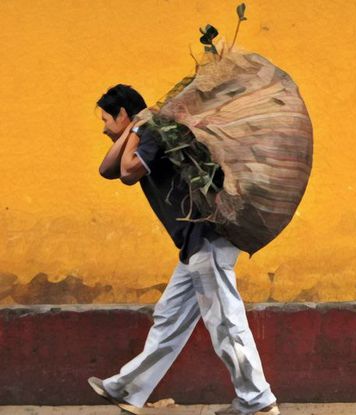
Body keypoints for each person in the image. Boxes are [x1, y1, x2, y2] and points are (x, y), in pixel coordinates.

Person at [87, 84, 279, 415]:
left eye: (107, 119)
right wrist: (131, 128)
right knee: (169, 318)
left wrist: (138, 127)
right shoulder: (142, 129)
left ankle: (258, 401)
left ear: (122, 114)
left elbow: (128, 172)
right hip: (193, 244)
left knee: (225, 321)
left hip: (208, 238)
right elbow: (106, 169)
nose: (103, 127)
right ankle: (126, 389)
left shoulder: (152, 134)